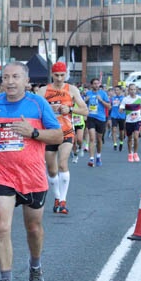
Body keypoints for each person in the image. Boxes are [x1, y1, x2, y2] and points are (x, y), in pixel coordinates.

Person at [0, 61, 62, 281]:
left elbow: (58, 134)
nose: (10, 81)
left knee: (33, 229)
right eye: (6, 77)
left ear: (26, 81)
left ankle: (35, 265)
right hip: (4, 175)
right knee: (1, 226)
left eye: (16, 77)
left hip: (33, 176)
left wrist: (33, 133)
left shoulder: (38, 104)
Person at [42, 61, 87, 215]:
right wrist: (48, 109)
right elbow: (33, 111)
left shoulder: (72, 89)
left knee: (62, 164)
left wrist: (70, 108)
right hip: (49, 134)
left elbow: (85, 111)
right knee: (52, 170)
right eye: (57, 75)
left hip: (67, 132)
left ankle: (63, 201)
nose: (60, 78)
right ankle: (56, 197)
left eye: (62, 75)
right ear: (52, 75)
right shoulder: (43, 91)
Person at [83, 78, 111, 167]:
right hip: (91, 117)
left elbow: (109, 106)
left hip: (101, 118)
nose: (96, 85)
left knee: (99, 139)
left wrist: (101, 100)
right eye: (94, 83)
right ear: (91, 85)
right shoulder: (88, 93)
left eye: (97, 83)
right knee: (92, 138)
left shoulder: (103, 93)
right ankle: (91, 159)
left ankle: (98, 156)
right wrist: (85, 101)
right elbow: (82, 106)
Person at [120, 83, 141, 162]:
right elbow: (121, 108)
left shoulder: (140, 98)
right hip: (128, 121)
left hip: (138, 120)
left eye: (134, 89)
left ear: (136, 90)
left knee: (136, 137)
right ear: (128, 90)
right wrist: (121, 110)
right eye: (131, 89)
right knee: (130, 138)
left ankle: (135, 153)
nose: (133, 91)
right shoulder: (125, 99)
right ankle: (130, 154)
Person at [109, 85, 126, 151]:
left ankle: (121, 142)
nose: (116, 91)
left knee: (121, 131)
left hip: (122, 116)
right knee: (114, 129)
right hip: (114, 116)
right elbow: (110, 106)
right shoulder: (112, 98)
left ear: (121, 90)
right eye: (115, 90)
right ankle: (115, 144)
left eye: (118, 90)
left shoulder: (124, 98)